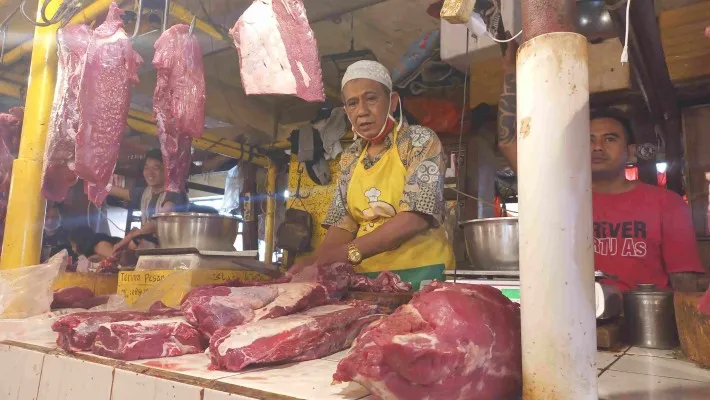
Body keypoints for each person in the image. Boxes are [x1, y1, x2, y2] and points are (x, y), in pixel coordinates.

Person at [497, 39, 704, 292]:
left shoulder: (667, 204)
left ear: (630, 153)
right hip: (574, 325)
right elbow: (508, 142)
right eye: (589, 140)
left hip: (646, 324)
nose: (597, 147)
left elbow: (686, 285)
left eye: (610, 139)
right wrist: (510, 73)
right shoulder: (561, 197)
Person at [289, 60, 455, 290]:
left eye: (371, 98)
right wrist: (315, 263)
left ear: (393, 102)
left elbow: (415, 218)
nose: (362, 111)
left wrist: (347, 253)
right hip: (368, 280)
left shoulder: (419, 141)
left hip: (421, 273)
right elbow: (342, 225)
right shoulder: (350, 157)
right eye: (353, 104)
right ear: (346, 112)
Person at [109, 149, 188, 252]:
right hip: (147, 242)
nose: (150, 172)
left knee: (135, 241)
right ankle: (110, 259)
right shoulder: (146, 193)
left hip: (169, 246)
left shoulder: (174, 193)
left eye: (156, 167)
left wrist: (126, 240)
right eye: (146, 167)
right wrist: (95, 184)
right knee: (98, 238)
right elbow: (116, 191)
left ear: (167, 170)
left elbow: (157, 222)